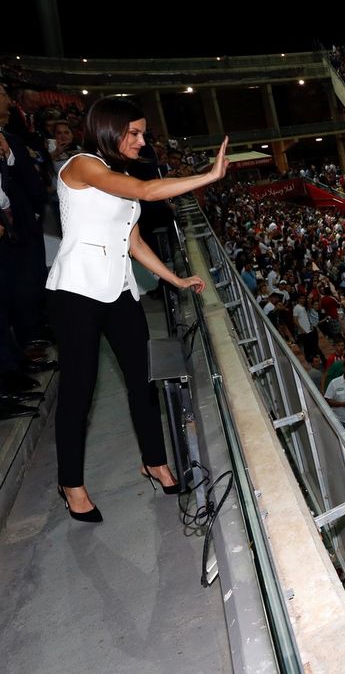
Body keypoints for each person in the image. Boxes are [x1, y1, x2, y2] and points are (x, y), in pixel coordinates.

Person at [47, 98, 229, 521]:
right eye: (134, 133)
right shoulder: (82, 165)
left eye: (143, 132)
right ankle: (70, 483)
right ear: (109, 130)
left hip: (118, 289)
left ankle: (155, 461)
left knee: (142, 379)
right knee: (79, 390)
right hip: (76, 292)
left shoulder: (118, 175)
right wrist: (208, 175)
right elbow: (148, 192)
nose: (142, 140)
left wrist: (175, 279)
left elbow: (134, 241)